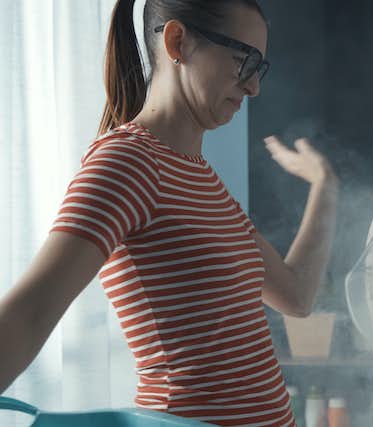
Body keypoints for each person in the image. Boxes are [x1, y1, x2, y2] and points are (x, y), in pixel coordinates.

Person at [0, 0, 338, 425]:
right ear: (178, 42)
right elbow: (28, 315)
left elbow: (296, 295)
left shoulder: (199, 178)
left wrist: (325, 187)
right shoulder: (129, 162)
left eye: (259, 68)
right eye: (243, 61)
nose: (254, 88)